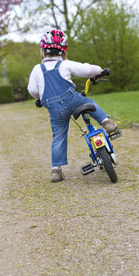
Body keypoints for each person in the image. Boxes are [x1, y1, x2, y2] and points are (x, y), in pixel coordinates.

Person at [27, 29, 118, 182]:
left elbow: (33, 90)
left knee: (58, 137)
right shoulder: (65, 64)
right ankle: (106, 122)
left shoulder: (37, 69)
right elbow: (87, 69)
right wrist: (100, 71)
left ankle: (56, 170)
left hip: (54, 110)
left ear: (42, 50)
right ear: (64, 51)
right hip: (72, 100)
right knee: (89, 103)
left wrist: (39, 98)